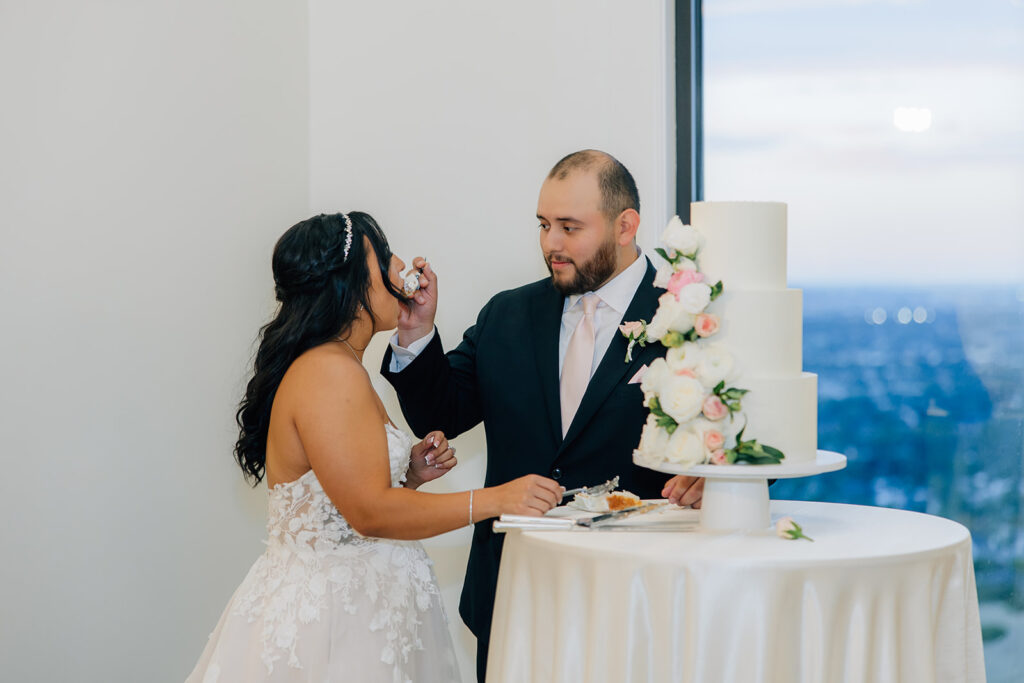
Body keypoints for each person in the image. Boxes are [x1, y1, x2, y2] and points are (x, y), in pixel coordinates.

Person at [186, 212, 563, 683]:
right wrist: (494, 500)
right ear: (352, 282)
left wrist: (409, 477)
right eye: (384, 257)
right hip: (332, 621)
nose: (400, 268)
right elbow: (368, 512)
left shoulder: (340, 363)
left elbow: (343, 502)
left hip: (364, 606)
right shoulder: (329, 371)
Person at [382, 149, 705, 681]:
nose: (551, 243)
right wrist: (416, 333)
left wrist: (710, 478)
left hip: (637, 597)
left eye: (570, 227)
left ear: (626, 226)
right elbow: (440, 412)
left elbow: (725, 440)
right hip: (513, 590)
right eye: (544, 224)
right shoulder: (508, 313)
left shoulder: (686, 319)